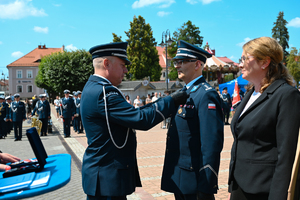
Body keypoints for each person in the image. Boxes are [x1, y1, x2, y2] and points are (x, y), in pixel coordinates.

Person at [81, 42, 188, 200]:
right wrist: (171, 101)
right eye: (123, 65)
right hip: (107, 178)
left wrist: (164, 101)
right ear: (106, 64)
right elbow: (141, 119)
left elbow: (134, 113)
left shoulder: (94, 88)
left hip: (105, 175)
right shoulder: (103, 92)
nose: (125, 70)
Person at [227, 37, 300, 200]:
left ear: (264, 62)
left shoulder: (286, 95)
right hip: (240, 185)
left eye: (244, 58)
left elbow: (286, 155)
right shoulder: (250, 93)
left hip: (263, 191)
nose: (240, 64)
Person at [161, 40, 224, 200]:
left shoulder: (206, 95)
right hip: (181, 177)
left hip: (196, 181)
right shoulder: (184, 92)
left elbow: (211, 145)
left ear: (197, 65)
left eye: (181, 62)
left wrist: (206, 184)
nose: (176, 66)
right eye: (176, 61)